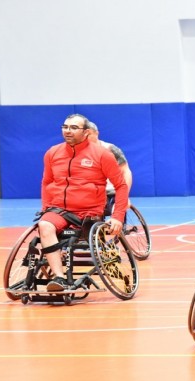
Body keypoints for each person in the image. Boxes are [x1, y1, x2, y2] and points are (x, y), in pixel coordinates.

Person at [38, 114, 129, 291]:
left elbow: (121, 185)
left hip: (89, 213)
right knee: (44, 225)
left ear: (86, 132)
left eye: (74, 128)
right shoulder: (52, 153)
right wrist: (45, 209)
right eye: (65, 127)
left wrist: (118, 216)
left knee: (91, 241)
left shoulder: (102, 155)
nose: (68, 131)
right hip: (60, 210)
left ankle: (115, 271)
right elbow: (47, 182)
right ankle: (59, 278)